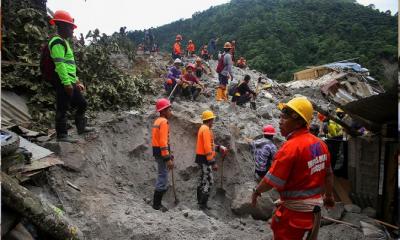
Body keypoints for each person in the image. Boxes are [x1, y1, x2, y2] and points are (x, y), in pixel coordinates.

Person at [252, 96, 335, 240]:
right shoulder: (320, 144)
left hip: (294, 217)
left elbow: (271, 181)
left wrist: (256, 191)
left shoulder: (290, 148)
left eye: (284, 118)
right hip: (313, 214)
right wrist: (328, 195)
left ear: (298, 122)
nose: (280, 121)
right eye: (280, 117)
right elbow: (328, 174)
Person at [48, 10, 94, 143]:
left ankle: (81, 127)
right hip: (63, 81)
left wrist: (76, 81)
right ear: (62, 26)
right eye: (71, 27)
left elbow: (70, 66)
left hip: (70, 80)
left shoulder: (64, 42)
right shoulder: (57, 42)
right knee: (62, 107)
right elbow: (60, 64)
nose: (72, 31)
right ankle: (62, 135)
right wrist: (67, 83)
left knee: (82, 103)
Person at [196, 110, 227, 210]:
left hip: (202, 157)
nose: (213, 121)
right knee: (209, 181)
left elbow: (210, 145)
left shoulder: (205, 129)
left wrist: (219, 147)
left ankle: (200, 202)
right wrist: (212, 162)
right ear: (209, 120)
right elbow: (207, 147)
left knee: (203, 180)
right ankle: (202, 204)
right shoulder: (205, 129)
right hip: (205, 159)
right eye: (212, 119)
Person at [152, 98, 174, 212]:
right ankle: (156, 204)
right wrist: (167, 158)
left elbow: (160, 141)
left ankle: (157, 202)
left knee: (162, 174)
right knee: (163, 176)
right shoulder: (164, 122)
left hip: (158, 151)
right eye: (169, 109)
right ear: (164, 111)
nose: (171, 112)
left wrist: (169, 155)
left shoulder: (157, 121)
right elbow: (163, 142)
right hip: (161, 153)